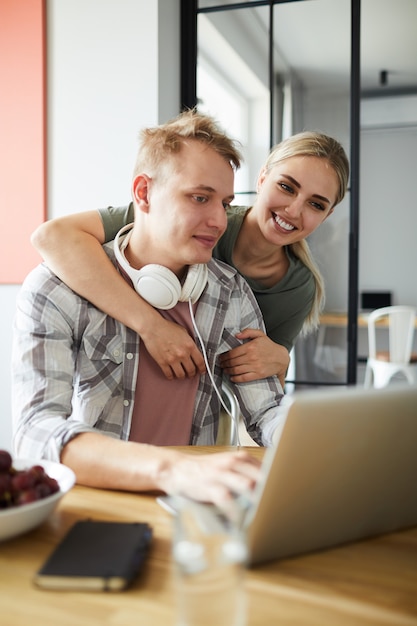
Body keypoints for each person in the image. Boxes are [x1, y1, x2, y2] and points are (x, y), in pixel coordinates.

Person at [12, 110, 285, 507]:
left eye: (224, 203)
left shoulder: (231, 294)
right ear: (143, 193)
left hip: (195, 506)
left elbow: (266, 413)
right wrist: (171, 468)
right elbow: (36, 431)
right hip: (96, 503)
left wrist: (319, 440)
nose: (218, 220)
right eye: (199, 197)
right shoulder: (54, 288)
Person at [31, 129, 350, 390]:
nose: (294, 211)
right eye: (286, 186)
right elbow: (53, 237)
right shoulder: (192, 218)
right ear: (262, 178)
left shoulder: (298, 289)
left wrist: (281, 359)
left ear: (328, 215)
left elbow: (266, 382)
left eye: (316, 205)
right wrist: (152, 326)